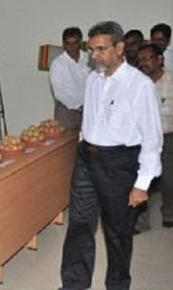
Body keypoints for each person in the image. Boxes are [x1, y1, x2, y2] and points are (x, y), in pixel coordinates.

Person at [60, 21, 163, 290]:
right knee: (80, 223)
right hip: (86, 158)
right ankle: (74, 283)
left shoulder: (139, 85)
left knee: (117, 232)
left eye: (101, 49)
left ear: (119, 48)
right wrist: (84, 143)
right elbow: (90, 119)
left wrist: (142, 183)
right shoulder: (93, 79)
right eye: (92, 49)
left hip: (118, 163)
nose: (94, 56)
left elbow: (152, 138)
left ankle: (117, 285)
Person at [133, 44, 173, 233]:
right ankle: (141, 221)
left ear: (159, 59)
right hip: (141, 139)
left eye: (147, 59)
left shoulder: (171, 82)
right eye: (140, 60)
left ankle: (169, 213)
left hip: (167, 136)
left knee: (169, 180)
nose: (143, 63)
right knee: (140, 181)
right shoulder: (135, 84)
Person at [49, 27, 91, 130]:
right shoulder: (58, 64)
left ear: (80, 42)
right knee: (68, 144)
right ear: (64, 44)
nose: (72, 47)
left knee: (91, 144)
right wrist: (78, 107)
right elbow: (59, 93)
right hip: (68, 112)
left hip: (90, 111)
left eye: (75, 43)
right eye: (68, 43)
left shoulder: (90, 59)